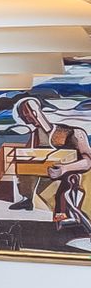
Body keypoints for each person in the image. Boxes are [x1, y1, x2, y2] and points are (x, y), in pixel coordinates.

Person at [14, 95, 91, 228]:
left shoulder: (74, 132)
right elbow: (27, 157)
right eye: (25, 115)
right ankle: (60, 220)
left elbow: (87, 162)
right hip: (52, 177)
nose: (30, 117)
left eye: (31, 112)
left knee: (68, 181)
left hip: (80, 176)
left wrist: (65, 169)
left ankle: (68, 219)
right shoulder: (36, 135)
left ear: (39, 111)